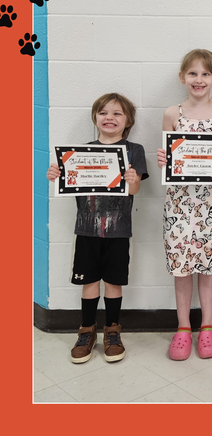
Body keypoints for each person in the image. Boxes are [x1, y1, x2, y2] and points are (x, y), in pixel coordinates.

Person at [46, 93, 148, 363]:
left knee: (113, 283)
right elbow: (68, 184)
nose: (109, 118)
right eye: (103, 112)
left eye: (117, 113)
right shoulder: (80, 153)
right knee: (89, 282)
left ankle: (112, 331)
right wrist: (56, 175)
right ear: (95, 118)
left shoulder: (134, 150)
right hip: (86, 230)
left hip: (118, 231)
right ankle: (86, 331)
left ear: (128, 121)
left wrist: (132, 178)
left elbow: (135, 189)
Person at [155, 49, 212, 360]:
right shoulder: (171, 114)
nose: (199, 79)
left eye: (205, 74)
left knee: (206, 264)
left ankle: (207, 326)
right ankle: (182, 327)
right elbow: (169, 158)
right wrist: (164, 160)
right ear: (182, 77)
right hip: (178, 202)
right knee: (181, 266)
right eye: (193, 73)